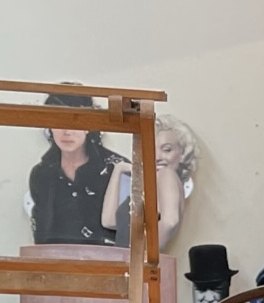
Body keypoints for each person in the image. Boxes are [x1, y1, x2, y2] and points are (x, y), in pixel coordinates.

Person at [24, 92, 122, 246]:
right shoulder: (41, 173)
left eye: (75, 121)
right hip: (55, 264)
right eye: (58, 121)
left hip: (109, 264)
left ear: (89, 125)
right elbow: (41, 236)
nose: (67, 131)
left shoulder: (115, 167)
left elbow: (127, 233)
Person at [104, 116, 197, 249]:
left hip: (136, 265)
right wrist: (119, 169)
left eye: (166, 150)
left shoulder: (167, 174)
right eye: (151, 149)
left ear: (183, 154)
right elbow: (109, 221)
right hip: (127, 262)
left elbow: (170, 221)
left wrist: (145, 256)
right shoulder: (153, 185)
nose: (157, 157)